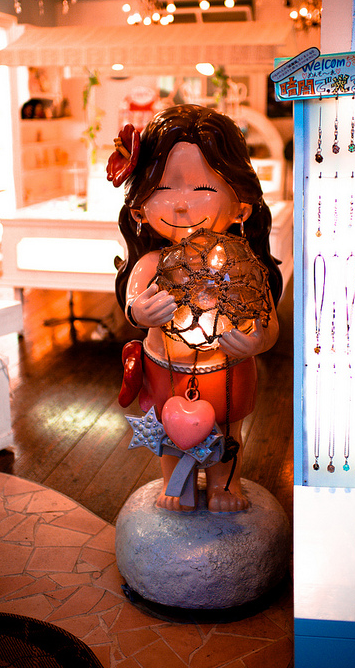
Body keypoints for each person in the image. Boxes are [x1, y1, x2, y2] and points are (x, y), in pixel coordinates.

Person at [107, 104, 281, 512]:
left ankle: (225, 485)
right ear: (139, 208)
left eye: (202, 189)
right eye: (165, 189)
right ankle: (175, 483)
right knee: (169, 432)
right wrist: (140, 313)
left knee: (227, 434)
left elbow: (267, 322)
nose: (181, 205)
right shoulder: (150, 265)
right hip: (165, 369)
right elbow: (133, 303)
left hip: (228, 371)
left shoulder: (243, 269)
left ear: (242, 206)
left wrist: (257, 340)